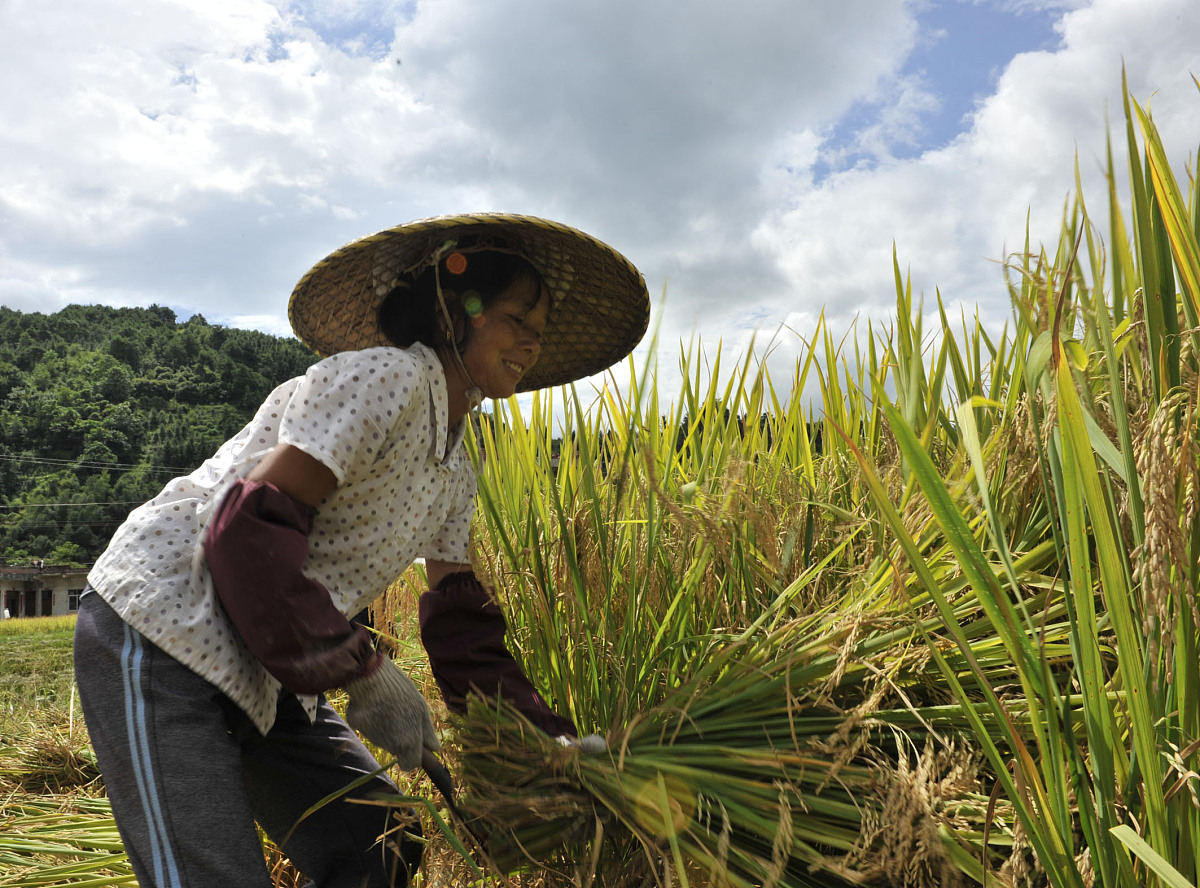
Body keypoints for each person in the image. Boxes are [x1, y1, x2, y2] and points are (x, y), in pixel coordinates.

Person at [73, 213, 649, 888]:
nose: (531, 341)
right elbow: (244, 530)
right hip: (166, 623)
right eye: (517, 318)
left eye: (539, 329)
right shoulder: (387, 381)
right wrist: (360, 668)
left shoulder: (457, 467)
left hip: (263, 658)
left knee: (379, 842)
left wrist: (540, 739)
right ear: (453, 309)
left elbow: (463, 629)